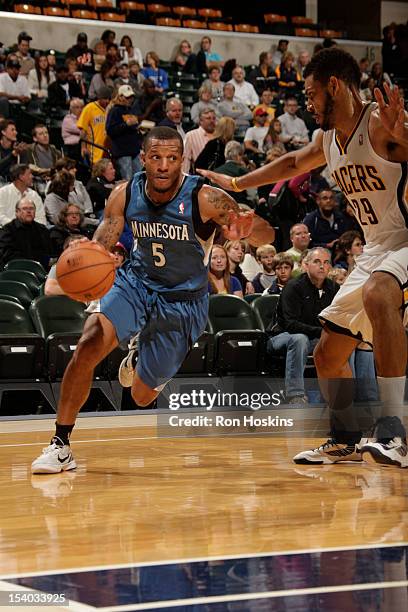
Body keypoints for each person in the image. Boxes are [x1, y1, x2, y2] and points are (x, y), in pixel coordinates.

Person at [197, 47, 408, 467]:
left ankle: (394, 431)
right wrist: (238, 182)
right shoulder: (328, 139)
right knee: (327, 353)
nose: (308, 104)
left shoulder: (383, 124)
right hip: (377, 248)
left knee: (380, 293)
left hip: (405, 241)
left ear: (334, 85)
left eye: (311, 94)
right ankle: (345, 437)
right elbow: (293, 161)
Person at [31, 126, 274, 473]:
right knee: (87, 345)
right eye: (156, 157)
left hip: (183, 301)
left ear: (182, 160)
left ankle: (139, 351)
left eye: (172, 158)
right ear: (142, 158)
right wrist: (90, 258)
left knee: (142, 396)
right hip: (136, 282)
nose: (163, 165)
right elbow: (104, 239)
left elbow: (267, 232)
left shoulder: (205, 198)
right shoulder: (124, 193)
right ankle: (60, 443)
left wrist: (250, 230)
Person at [267, 247, 338, 403]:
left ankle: (347, 392)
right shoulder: (293, 287)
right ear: (306, 265)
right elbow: (289, 324)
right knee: (299, 339)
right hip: (280, 336)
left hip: (314, 337)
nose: (322, 266)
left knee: (344, 342)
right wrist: (322, 332)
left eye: (326, 263)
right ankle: (295, 394)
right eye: (317, 262)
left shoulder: (333, 288)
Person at [0, 196, 53, 267]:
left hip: (42, 270)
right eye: (24, 208)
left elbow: (49, 252)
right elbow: (8, 256)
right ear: (17, 212)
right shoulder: (7, 230)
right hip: (18, 270)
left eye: (31, 208)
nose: (29, 211)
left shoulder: (42, 229)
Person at [105, 84, 142, 180]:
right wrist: (126, 125)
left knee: (139, 179)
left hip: (134, 151)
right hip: (123, 152)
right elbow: (110, 130)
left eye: (131, 97)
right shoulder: (114, 111)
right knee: (127, 181)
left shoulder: (130, 110)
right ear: (120, 97)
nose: (130, 100)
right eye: (127, 97)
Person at [77, 86, 111, 166]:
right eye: (105, 99)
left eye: (109, 99)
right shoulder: (89, 108)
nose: (107, 101)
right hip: (94, 149)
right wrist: (83, 147)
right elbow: (83, 130)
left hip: (107, 149)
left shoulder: (110, 109)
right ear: (99, 98)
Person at [182, 108, 216, 174]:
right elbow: (186, 159)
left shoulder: (219, 136)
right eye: (208, 118)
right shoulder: (191, 135)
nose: (212, 121)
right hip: (199, 175)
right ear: (200, 121)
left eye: (213, 118)